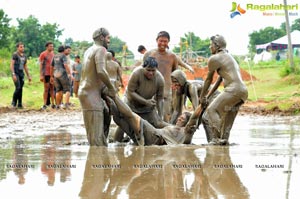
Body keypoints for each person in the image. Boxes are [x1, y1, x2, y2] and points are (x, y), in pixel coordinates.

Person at [199, 34, 248, 145]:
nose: (209, 47)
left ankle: (216, 140)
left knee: (212, 110)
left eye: (210, 45)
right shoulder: (229, 57)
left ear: (216, 45)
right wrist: (208, 95)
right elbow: (219, 80)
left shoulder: (214, 58)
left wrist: (202, 97)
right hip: (242, 92)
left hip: (233, 90)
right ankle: (224, 141)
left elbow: (208, 80)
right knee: (228, 118)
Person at [106, 94, 202, 146]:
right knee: (118, 120)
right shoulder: (171, 127)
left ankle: (113, 95)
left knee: (132, 116)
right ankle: (107, 96)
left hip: (153, 136)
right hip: (146, 137)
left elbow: (193, 118)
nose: (179, 118)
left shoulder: (185, 132)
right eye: (180, 117)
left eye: (182, 119)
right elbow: (159, 122)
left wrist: (201, 106)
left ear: (186, 123)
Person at [113, 56, 168, 142]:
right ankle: (116, 143)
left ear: (156, 69)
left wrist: (160, 115)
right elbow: (131, 92)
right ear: (143, 68)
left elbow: (160, 98)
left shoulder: (160, 79)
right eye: (148, 70)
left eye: (153, 70)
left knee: (157, 123)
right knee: (123, 124)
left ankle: (174, 135)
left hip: (147, 106)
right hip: (131, 103)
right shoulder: (136, 74)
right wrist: (145, 102)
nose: (151, 73)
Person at [78, 27, 117, 146]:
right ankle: (96, 161)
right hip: (91, 94)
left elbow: (91, 73)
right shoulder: (101, 50)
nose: (109, 41)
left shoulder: (89, 50)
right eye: (108, 38)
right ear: (102, 37)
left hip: (87, 91)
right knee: (96, 140)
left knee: (105, 114)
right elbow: (101, 71)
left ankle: (100, 161)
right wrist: (111, 88)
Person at [143, 31, 178, 122]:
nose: (162, 43)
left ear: (168, 42)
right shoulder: (149, 54)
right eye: (160, 41)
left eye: (165, 41)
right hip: (150, 91)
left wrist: (175, 89)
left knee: (165, 116)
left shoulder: (172, 56)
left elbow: (175, 74)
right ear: (156, 40)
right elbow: (143, 71)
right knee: (149, 116)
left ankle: (165, 135)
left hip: (166, 91)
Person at [10, 42, 32, 108]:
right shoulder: (15, 55)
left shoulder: (24, 56)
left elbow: (25, 66)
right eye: (21, 47)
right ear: (17, 48)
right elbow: (11, 65)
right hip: (15, 73)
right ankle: (13, 102)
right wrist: (13, 74)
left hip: (21, 73)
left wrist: (28, 76)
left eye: (23, 47)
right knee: (18, 87)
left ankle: (20, 103)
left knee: (21, 88)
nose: (22, 48)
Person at [39, 41, 55, 110]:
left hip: (52, 74)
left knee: (52, 88)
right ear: (47, 47)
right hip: (46, 73)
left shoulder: (53, 54)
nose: (52, 47)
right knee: (46, 89)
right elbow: (41, 65)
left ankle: (53, 103)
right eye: (50, 46)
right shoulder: (43, 54)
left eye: (52, 46)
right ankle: (45, 104)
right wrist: (41, 75)